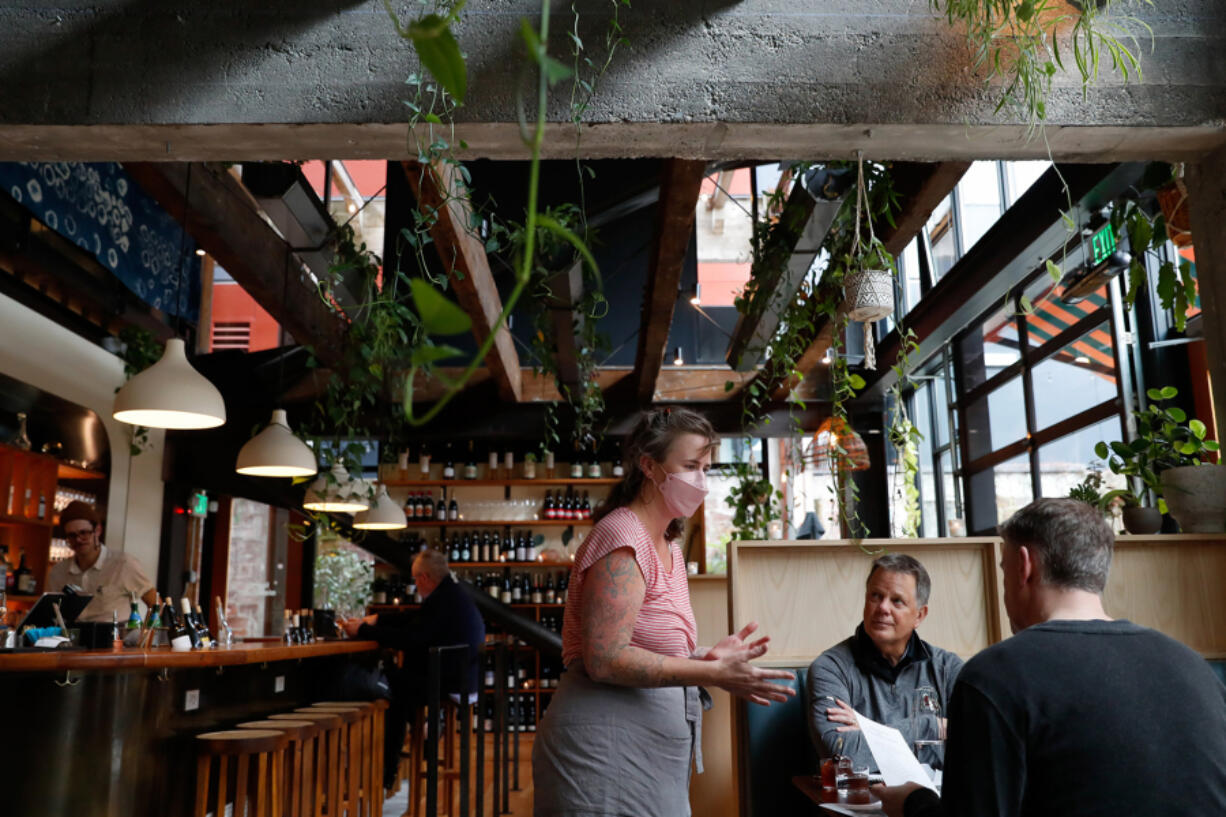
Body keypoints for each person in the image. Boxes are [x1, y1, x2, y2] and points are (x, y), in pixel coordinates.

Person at [876, 498, 1226, 817]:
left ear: (1024, 567)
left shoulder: (996, 676)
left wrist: (913, 803)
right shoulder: (1194, 668)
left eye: (1003, 569)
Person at [533, 408, 796, 817]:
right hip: (602, 749)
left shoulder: (668, 544)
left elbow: (644, 647)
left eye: (706, 468)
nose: (701, 482)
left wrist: (706, 658)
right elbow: (605, 659)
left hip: (647, 751)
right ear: (649, 467)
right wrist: (710, 674)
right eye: (690, 466)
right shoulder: (622, 537)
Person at [341, 548, 485, 789]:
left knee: (389, 689)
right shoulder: (450, 594)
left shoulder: (443, 599)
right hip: (461, 678)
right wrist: (377, 620)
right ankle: (423, 733)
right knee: (396, 683)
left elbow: (412, 638)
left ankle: (385, 773)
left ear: (425, 578)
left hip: (445, 681)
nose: (415, 585)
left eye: (416, 579)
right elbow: (417, 621)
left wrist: (363, 631)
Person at [807, 554, 963, 772]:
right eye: (875, 596)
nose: (882, 608)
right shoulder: (830, 668)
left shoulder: (948, 668)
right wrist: (933, 726)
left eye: (897, 600)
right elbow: (843, 756)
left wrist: (868, 730)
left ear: (919, 615)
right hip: (861, 804)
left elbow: (973, 745)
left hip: (936, 802)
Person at [46, 501, 157, 623]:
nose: (78, 539)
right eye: (72, 536)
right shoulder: (58, 572)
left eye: (84, 533)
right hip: (75, 638)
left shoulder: (123, 564)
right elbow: (53, 613)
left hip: (117, 638)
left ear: (97, 531)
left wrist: (144, 637)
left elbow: (155, 604)